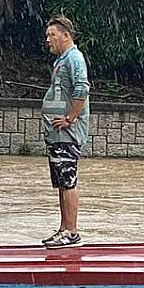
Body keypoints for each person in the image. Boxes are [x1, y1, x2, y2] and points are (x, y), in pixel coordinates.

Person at [41, 16, 91, 248]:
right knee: (62, 181)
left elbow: (82, 88)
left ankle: (72, 231)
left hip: (67, 134)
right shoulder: (63, 59)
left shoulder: (74, 58)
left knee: (68, 180)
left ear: (65, 35)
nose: (48, 39)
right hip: (56, 134)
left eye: (52, 35)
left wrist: (70, 118)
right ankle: (63, 228)